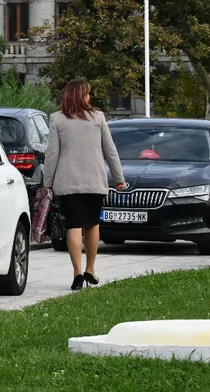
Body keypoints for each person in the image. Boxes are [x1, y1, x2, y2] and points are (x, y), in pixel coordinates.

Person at [42, 78, 127, 291]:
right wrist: (119, 178)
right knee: (92, 224)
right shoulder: (98, 117)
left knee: (73, 225)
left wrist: (47, 183)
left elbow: (52, 154)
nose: (90, 97)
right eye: (87, 93)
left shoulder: (57, 119)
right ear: (81, 96)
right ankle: (91, 268)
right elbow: (110, 150)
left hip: (67, 182)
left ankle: (77, 273)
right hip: (94, 181)